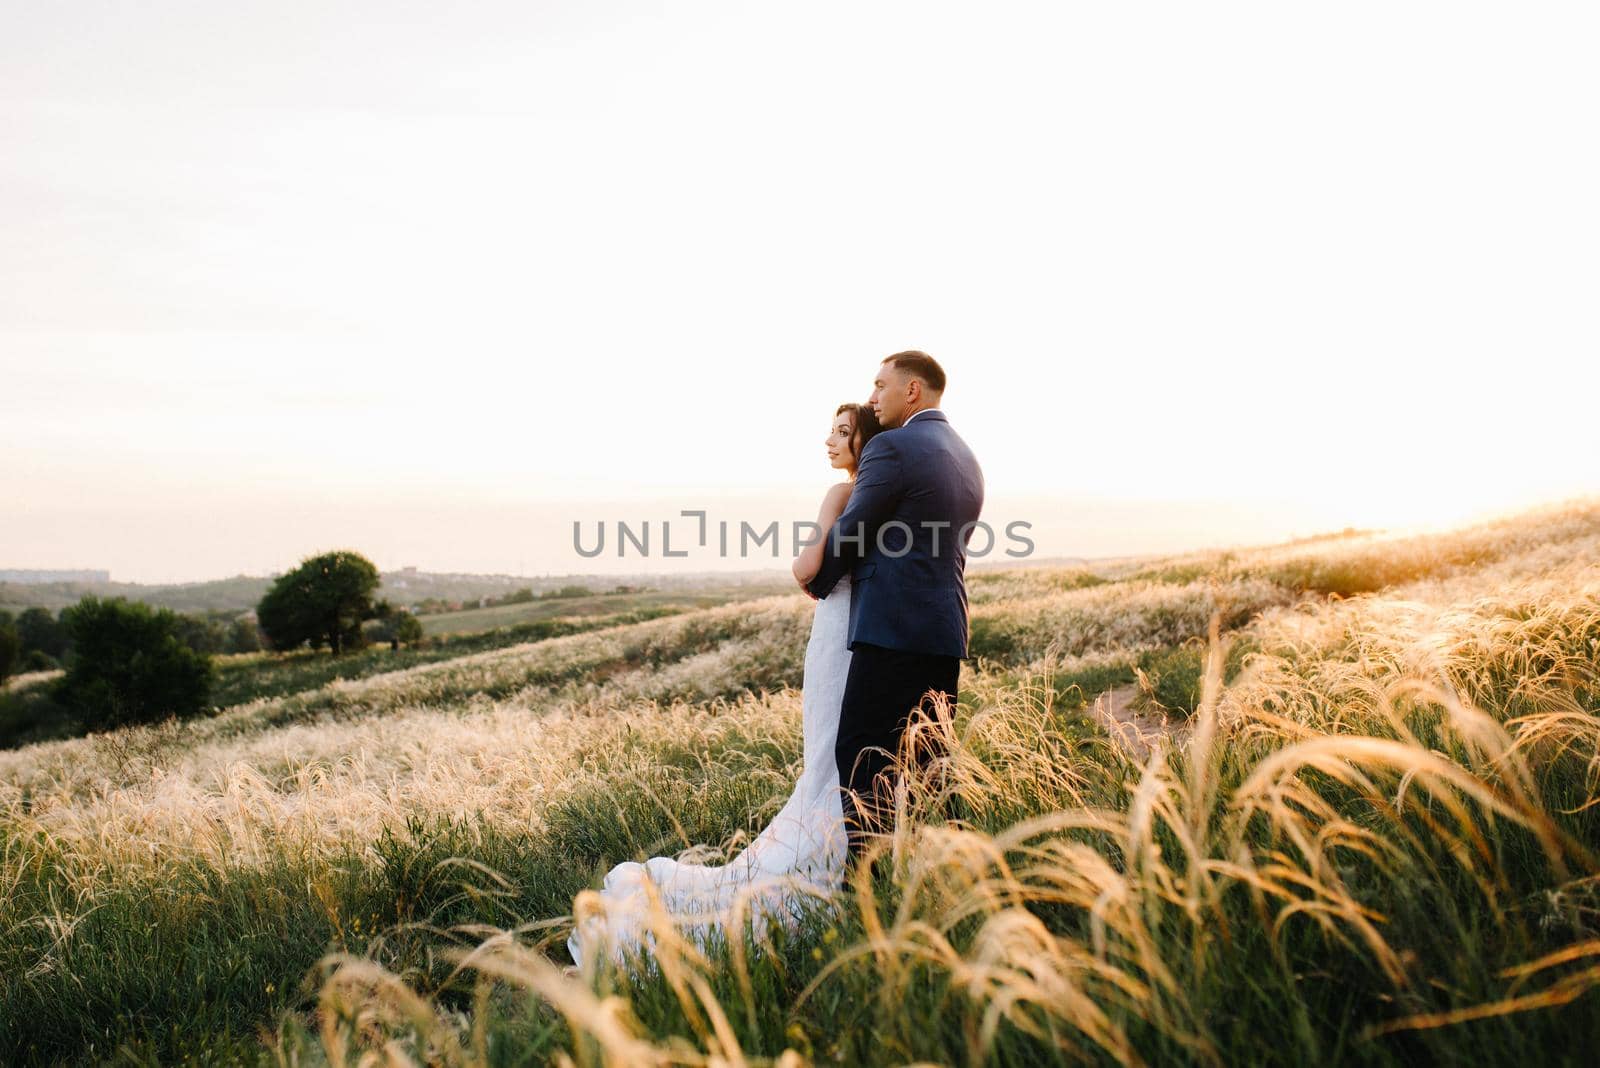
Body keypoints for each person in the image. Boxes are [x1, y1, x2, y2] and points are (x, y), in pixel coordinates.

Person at [566, 401, 883, 970]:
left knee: (826, 747)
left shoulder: (843, 495)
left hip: (836, 632)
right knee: (836, 747)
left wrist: (813, 568)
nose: (829, 441)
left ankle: (820, 848)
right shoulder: (877, 497)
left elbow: (805, 569)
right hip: (856, 630)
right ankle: (836, 849)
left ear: (864, 441)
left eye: (842, 432)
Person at [804, 350, 984, 877]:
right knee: (931, 761)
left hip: (890, 634)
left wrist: (817, 580)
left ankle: (869, 881)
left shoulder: (893, 446)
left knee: (862, 754)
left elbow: (854, 529)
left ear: (912, 392)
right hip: (944, 632)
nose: (872, 398)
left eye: (881, 386)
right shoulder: (966, 455)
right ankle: (944, 871)